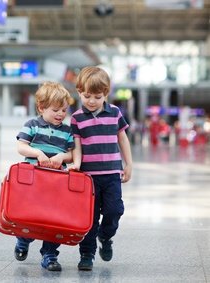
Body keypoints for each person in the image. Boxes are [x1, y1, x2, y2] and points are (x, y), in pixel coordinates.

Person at [70, 66, 133, 271]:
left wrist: (129, 164)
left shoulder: (114, 112)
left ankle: (105, 237)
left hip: (112, 174)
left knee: (114, 210)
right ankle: (86, 254)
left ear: (106, 93)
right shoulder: (76, 118)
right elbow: (77, 144)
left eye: (97, 96)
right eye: (86, 96)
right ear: (79, 92)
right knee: (89, 217)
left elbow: (122, 138)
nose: (91, 101)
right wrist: (76, 165)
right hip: (88, 177)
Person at [14, 81, 76, 272]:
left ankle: (49, 254)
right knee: (31, 215)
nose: (60, 114)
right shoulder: (32, 125)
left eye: (64, 110)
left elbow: (72, 154)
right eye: (55, 110)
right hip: (34, 182)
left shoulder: (66, 131)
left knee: (54, 219)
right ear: (41, 108)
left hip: (57, 184)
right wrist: (38, 153)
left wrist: (61, 157)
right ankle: (23, 239)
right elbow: (21, 146)